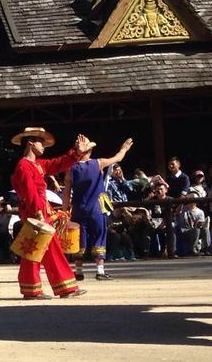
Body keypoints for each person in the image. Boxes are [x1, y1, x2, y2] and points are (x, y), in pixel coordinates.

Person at [10, 126, 91, 299]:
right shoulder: (24, 166)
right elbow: (30, 193)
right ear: (31, 143)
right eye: (41, 143)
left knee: (33, 250)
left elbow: (57, 163)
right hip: (37, 213)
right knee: (42, 249)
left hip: (39, 212)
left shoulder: (36, 165)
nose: (44, 147)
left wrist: (76, 152)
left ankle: (32, 289)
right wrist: (38, 213)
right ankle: (65, 288)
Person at [65, 137, 132, 280]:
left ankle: (78, 271)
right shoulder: (98, 163)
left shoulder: (70, 169)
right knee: (99, 235)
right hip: (96, 207)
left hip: (78, 207)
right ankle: (100, 271)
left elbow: (66, 192)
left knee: (79, 238)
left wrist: (65, 211)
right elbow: (117, 158)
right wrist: (124, 148)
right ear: (88, 150)